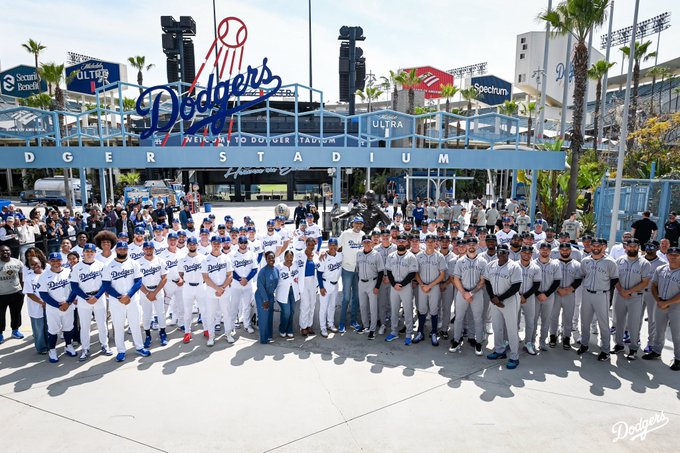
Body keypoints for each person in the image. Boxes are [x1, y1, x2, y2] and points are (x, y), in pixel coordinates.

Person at [102, 241, 150, 362]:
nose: (122, 251)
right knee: (118, 326)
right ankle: (121, 350)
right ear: (116, 250)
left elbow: (138, 282)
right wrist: (119, 296)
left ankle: (139, 347)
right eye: (120, 249)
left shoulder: (134, 263)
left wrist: (128, 295)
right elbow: (106, 285)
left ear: (127, 250)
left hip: (132, 299)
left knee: (135, 324)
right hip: (116, 301)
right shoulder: (108, 265)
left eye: (124, 249)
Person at [577, 238, 619, 362]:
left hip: (602, 294)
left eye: (599, 245)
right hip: (587, 293)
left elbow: (614, 279)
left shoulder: (610, 262)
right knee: (584, 321)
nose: (595, 247)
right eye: (593, 245)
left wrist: (605, 290)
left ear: (604, 247)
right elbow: (582, 275)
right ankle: (584, 344)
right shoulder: (585, 261)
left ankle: (605, 350)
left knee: (603, 323)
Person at [68, 243, 112, 360]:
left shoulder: (101, 265)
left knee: (102, 323)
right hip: (84, 299)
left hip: (99, 296)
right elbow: (74, 286)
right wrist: (86, 297)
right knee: (84, 325)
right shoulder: (77, 267)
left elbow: (106, 283)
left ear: (95, 253)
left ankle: (105, 345)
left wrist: (97, 296)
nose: (89, 253)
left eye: (91, 251)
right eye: (87, 251)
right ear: (83, 253)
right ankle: (85, 348)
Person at [483, 244, 523, 369]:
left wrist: (499, 299)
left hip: (510, 301)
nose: (501, 254)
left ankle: (514, 357)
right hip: (495, 300)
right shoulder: (491, 265)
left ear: (508, 253)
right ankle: (499, 351)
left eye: (504, 252)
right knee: (497, 327)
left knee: (511, 330)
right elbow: (487, 282)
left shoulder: (514, 266)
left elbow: (516, 287)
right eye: (499, 252)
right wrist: (493, 298)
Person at [611, 239, 651, 360]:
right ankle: (619, 344)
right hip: (620, 295)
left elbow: (645, 282)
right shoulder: (619, 261)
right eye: (630, 246)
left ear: (638, 247)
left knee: (634, 323)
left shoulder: (644, 263)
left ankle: (633, 348)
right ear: (626, 247)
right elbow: (614, 278)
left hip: (636, 297)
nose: (632, 248)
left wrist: (628, 291)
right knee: (619, 321)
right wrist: (622, 290)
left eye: (635, 246)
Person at [642, 246, 680, 370]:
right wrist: (658, 300)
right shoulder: (661, 268)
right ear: (667, 255)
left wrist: (667, 302)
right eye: (671, 254)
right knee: (659, 330)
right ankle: (656, 352)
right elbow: (654, 285)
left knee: (677, 334)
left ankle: (678, 358)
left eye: (676, 255)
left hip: (676, 306)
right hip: (660, 304)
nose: (673, 257)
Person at [36, 252, 75, 363]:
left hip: (68, 306)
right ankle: (52, 350)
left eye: (58, 260)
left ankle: (68, 346)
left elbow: (74, 289)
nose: (56, 263)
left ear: (62, 261)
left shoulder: (68, 272)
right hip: (53, 308)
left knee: (68, 327)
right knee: (53, 330)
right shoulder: (44, 275)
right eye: (53, 260)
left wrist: (68, 302)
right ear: (49, 262)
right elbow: (43, 294)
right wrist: (58, 305)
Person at [384, 234, 418, 345]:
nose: (401, 243)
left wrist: (401, 284)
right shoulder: (391, 256)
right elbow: (388, 271)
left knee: (408, 310)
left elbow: (412, 273)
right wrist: (394, 284)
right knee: (394, 310)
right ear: (396, 242)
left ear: (407, 243)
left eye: (403, 241)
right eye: (399, 241)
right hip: (394, 287)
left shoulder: (411, 256)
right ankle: (394, 332)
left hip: (406, 287)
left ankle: (409, 333)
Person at [414, 234, 447, 346]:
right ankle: (420, 332)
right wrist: (422, 284)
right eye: (428, 241)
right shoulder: (419, 255)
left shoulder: (440, 256)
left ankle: (433, 333)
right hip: (422, 286)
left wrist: (430, 286)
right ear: (425, 242)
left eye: (432, 241)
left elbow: (442, 275)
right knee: (421, 310)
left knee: (434, 310)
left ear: (435, 243)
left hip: (434, 286)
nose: (430, 243)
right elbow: (416, 273)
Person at [549, 243, 582, 351]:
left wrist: (567, 290)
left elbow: (578, 280)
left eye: (567, 249)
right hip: (556, 293)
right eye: (562, 249)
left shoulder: (577, 264)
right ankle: (552, 336)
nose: (565, 251)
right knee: (554, 316)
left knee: (568, 317)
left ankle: (566, 337)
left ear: (570, 251)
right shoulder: (553, 263)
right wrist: (558, 289)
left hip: (569, 294)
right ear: (559, 250)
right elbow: (550, 279)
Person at [202, 236, 233, 346]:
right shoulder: (206, 259)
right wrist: (217, 288)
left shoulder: (226, 258)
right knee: (210, 315)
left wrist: (222, 288)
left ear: (221, 244)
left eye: (218, 243)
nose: (216, 245)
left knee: (227, 313)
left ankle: (228, 334)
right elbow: (205, 277)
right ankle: (211, 336)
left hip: (224, 290)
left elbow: (230, 275)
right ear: (211, 244)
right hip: (211, 291)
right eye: (214, 243)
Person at [336, 216, 364, 333]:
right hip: (347, 269)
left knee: (356, 298)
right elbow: (336, 247)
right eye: (356, 223)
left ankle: (353, 321)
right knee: (346, 297)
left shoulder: (363, 234)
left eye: (360, 224)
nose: (358, 226)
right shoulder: (345, 234)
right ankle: (342, 322)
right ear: (352, 224)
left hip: (358, 270)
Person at [139, 242, 168, 348]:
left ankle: (163, 333)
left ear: (153, 249)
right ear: (143, 250)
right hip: (144, 292)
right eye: (146, 248)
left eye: (150, 248)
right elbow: (137, 281)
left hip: (158, 290)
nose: (148, 250)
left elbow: (164, 278)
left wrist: (154, 293)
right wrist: (147, 293)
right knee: (146, 315)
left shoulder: (160, 261)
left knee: (161, 313)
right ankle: (147, 335)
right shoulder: (138, 262)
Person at [355, 235, 384, 339]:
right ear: (362, 243)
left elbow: (381, 272)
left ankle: (372, 330)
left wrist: (377, 286)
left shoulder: (376, 254)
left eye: (368, 242)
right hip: (361, 283)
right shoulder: (358, 253)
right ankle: (365, 325)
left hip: (372, 282)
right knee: (363, 306)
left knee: (373, 307)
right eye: (365, 242)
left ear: (371, 243)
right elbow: (357, 268)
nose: (366, 244)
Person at [179, 237, 207, 343]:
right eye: (190, 244)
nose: (192, 246)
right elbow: (180, 273)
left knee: (204, 310)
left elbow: (207, 273)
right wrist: (181, 280)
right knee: (187, 312)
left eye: (194, 244)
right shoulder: (182, 260)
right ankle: (187, 332)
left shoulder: (203, 258)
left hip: (201, 286)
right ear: (187, 245)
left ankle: (206, 329)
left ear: (197, 245)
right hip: (188, 287)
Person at [533, 243, 561, 351]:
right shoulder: (533, 263)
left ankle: (542, 341)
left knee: (546, 320)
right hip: (535, 296)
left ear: (550, 251)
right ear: (539, 250)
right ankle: (531, 340)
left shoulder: (555, 264)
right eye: (542, 249)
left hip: (549, 296)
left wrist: (546, 294)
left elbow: (557, 281)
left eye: (547, 249)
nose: (545, 251)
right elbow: (531, 282)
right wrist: (538, 293)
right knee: (533, 319)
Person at [316, 238, 343, 337]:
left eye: (334, 245)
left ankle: (330, 324)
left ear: (337, 246)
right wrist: (321, 287)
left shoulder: (340, 255)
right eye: (331, 245)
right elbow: (319, 273)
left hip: (335, 284)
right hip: (326, 284)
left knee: (332, 306)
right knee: (323, 308)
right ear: (328, 246)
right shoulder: (324, 257)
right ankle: (322, 328)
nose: (333, 247)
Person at [23, 255, 48, 354]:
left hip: (49, 305)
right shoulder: (29, 278)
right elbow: (29, 294)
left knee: (49, 327)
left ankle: (50, 345)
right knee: (38, 329)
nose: (35, 266)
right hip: (36, 307)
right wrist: (42, 302)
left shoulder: (47, 274)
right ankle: (41, 348)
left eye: (36, 263)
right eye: (32, 264)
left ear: (40, 262)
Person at [0, 244, 24, 344]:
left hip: (16, 292)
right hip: (1, 294)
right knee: (0, 315)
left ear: (10, 251)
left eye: (7, 250)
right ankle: (0, 333)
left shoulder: (17, 262)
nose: (5, 252)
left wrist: (22, 290)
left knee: (16, 313)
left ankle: (15, 330)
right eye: (2, 251)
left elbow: (21, 276)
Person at [255, 251, 279, 344]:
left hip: (270, 296)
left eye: (272, 258)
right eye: (269, 258)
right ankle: (263, 339)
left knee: (269, 317)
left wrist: (271, 297)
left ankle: (269, 335)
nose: (271, 260)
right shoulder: (263, 271)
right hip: (262, 296)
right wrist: (265, 300)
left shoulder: (276, 270)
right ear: (266, 259)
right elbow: (260, 286)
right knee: (263, 318)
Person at [276, 250, 299, 338]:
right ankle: (282, 329)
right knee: (286, 312)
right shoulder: (279, 267)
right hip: (282, 292)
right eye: (287, 257)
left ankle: (289, 329)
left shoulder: (296, 265)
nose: (289, 259)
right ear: (284, 257)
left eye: (291, 257)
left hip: (294, 291)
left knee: (292, 312)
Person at [297, 237, 318, 336]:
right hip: (303, 281)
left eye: (312, 245)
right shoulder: (300, 255)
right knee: (305, 305)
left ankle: (309, 325)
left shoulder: (316, 256)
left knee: (312, 304)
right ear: (306, 244)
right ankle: (303, 326)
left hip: (313, 281)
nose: (311, 246)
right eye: (309, 244)